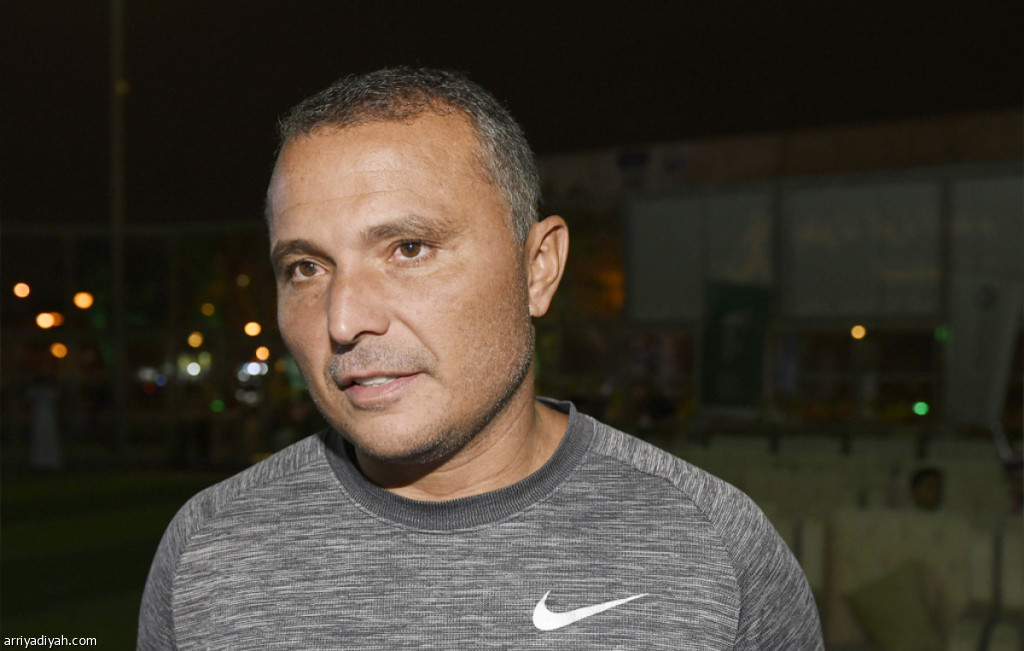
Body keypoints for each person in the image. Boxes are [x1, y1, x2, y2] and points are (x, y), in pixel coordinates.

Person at [139, 67, 823, 649]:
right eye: (306, 267)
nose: (343, 319)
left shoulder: (713, 545)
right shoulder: (207, 549)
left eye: (409, 249)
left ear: (538, 268)